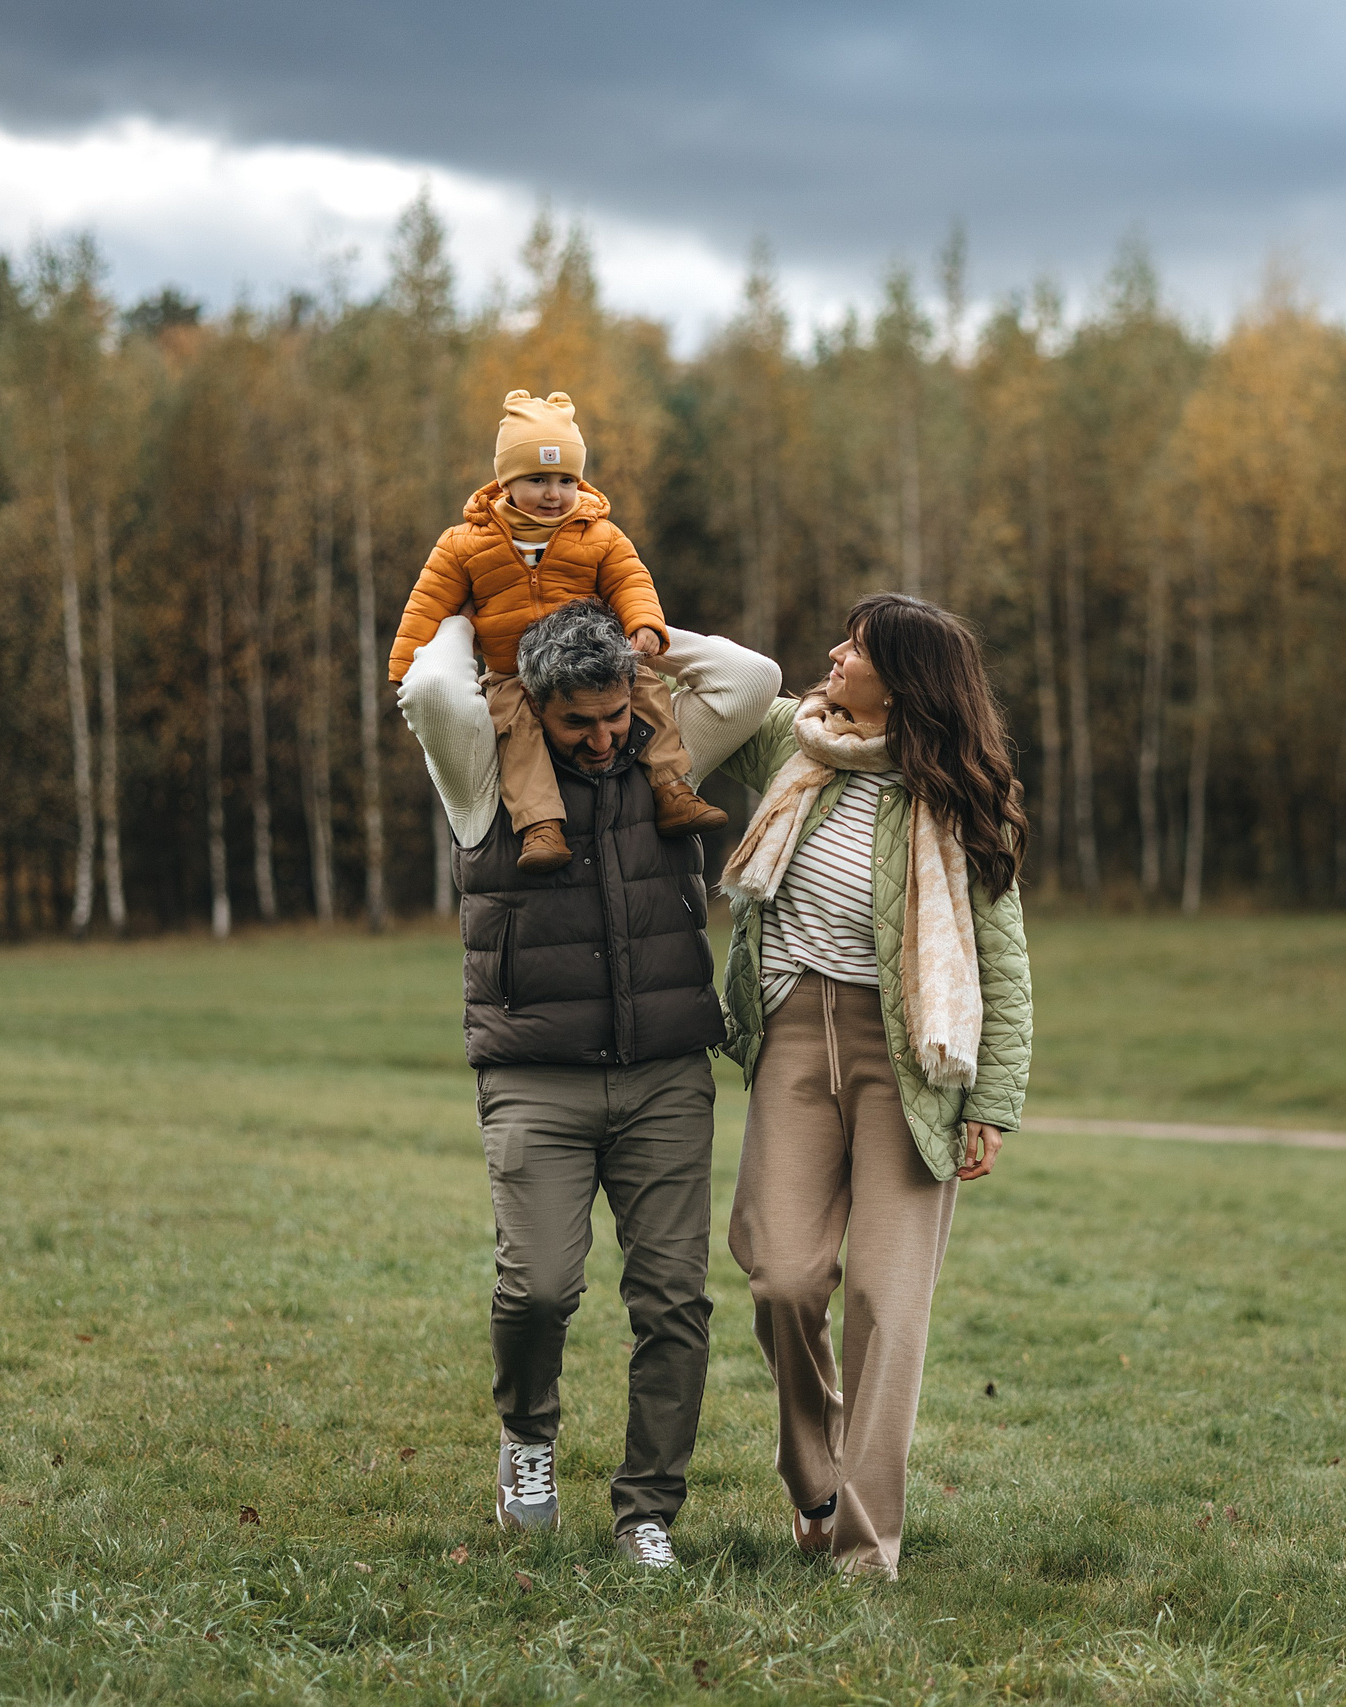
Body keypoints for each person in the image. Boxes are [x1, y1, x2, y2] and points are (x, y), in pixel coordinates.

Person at [395, 596, 779, 1570]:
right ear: (532, 703)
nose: (606, 738)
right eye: (580, 723)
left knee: (672, 1303)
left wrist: (636, 629)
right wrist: (471, 602)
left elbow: (754, 679)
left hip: (661, 1072)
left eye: (616, 713)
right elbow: (432, 683)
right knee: (536, 1290)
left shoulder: (662, 743)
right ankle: (527, 1439)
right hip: (535, 1077)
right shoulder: (482, 766)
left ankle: (646, 1511)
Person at [709, 592, 1033, 1580]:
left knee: (888, 1307)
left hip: (912, 1064)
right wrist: (617, 601)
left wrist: (992, 1102)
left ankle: (864, 1548)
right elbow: (724, 678)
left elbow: (1002, 955)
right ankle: (812, 1475)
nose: (835, 656)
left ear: (906, 681)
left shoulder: (962, 797)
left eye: (858, 648)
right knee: (782, 1278)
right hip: (796, 1043)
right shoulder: (787, 742)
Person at [387, 388, 728, 876]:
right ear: (505, 482)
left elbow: (631, 581)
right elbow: (428, 606)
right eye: (538, 479)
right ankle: (541, 825)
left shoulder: (600, 534)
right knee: (516, 729)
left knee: (649, 691)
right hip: (512, 673)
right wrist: (407, 667)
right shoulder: (466, 543)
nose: (554, 493)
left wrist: (645, 623)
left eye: (566, 479)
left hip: (597, 668)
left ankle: (673, 789)